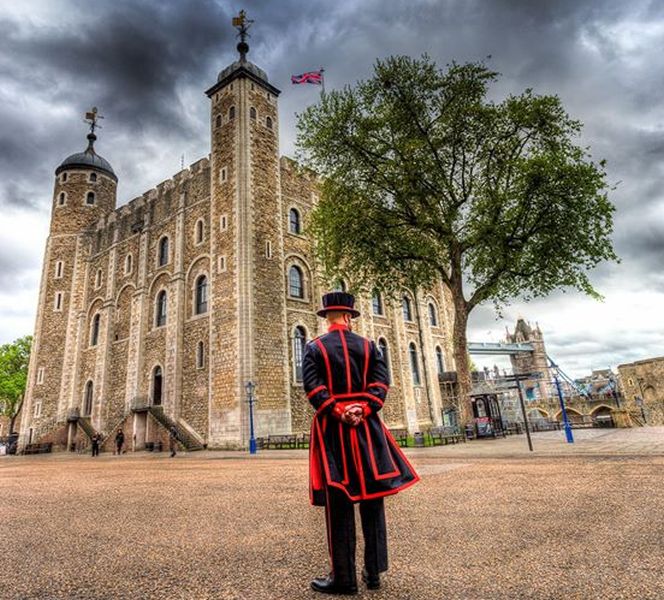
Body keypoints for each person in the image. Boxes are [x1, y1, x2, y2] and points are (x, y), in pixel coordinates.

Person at [304, 291, 420, 594]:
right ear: (348, 317)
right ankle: (373, 573)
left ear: (328, 317)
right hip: (367, 432)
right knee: (372, 501)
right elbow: (380, 384)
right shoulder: (369, 347)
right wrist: (364, 408)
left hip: (335, 432)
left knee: (339, 505)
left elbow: (313, 390)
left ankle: (344, 578)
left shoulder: (314, 348)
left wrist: (340, 410)